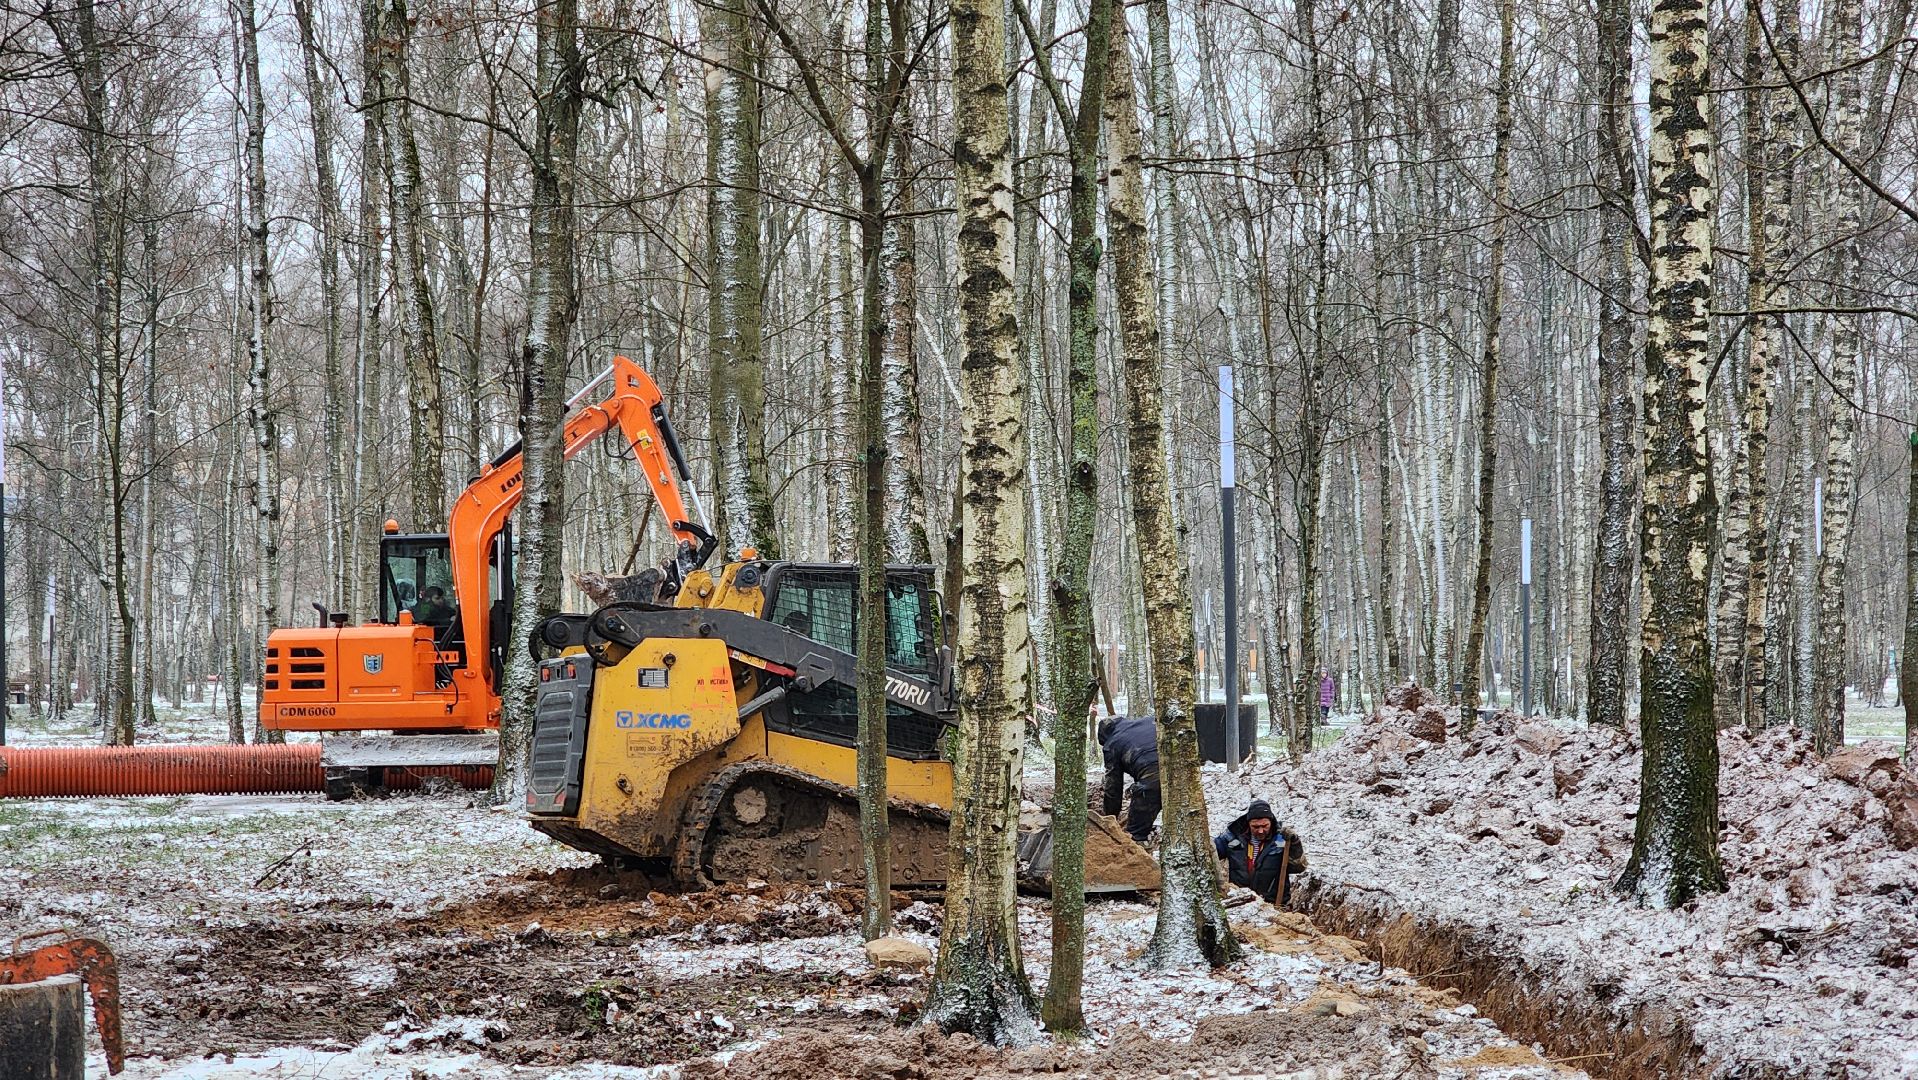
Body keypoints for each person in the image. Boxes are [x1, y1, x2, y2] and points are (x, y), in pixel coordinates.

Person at [1214, 799, 1303, 904]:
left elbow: (1298, 867)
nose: (1261, 831)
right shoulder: (1232, 837)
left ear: (1271, 821)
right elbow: (1210, 854)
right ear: (1248, 823)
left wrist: (1295, 844)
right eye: (1255, 827)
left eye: (1265, 826)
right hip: (1240, 902)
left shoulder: (1281, 839)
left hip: (1273, 904)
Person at [1098, 713, 1161, 843]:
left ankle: (1137, 855)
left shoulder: (1112, 744)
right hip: (1182, 771)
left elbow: (1113, 788)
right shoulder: (1147, 721)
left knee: (1135, 835)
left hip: (1152, 779)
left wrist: (1110, 819)